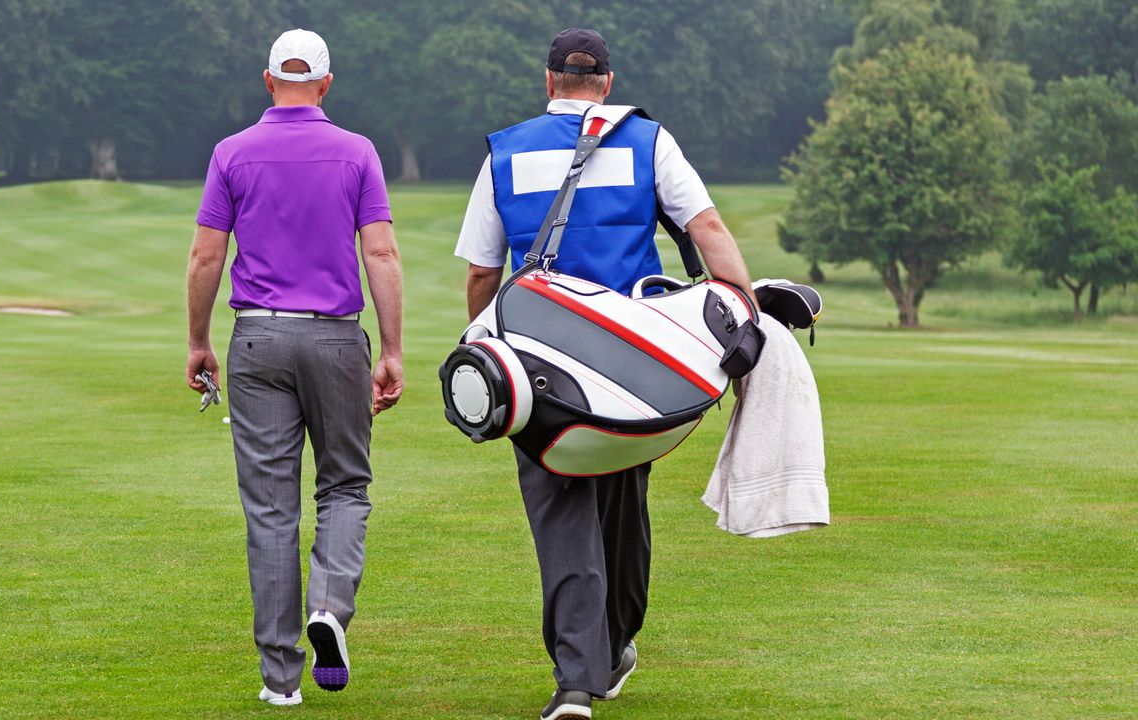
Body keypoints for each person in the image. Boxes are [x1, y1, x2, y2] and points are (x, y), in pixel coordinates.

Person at [454, 28, 756, 720]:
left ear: (549, 79)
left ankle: (577, 681)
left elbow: (481, 272)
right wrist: (744, 310)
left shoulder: (505, 149)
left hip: (538, 371)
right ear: (608, 84)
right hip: (632, 369)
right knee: (623, 501)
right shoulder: (649, 141)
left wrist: (488, 342)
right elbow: (705, 228)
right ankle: (609, 648)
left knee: (562, 511)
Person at [185, 28, 404, 708]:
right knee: (343, 486)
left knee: (270, 510)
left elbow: (205, 257)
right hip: (337, 338)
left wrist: (198, 341)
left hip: (255, 341)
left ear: (267, 79)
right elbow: (383, 255)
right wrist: (392, 349)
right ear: (327, 84)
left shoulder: (232, 152)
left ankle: (281, 679)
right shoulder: (357, 152)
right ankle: (330, 609)